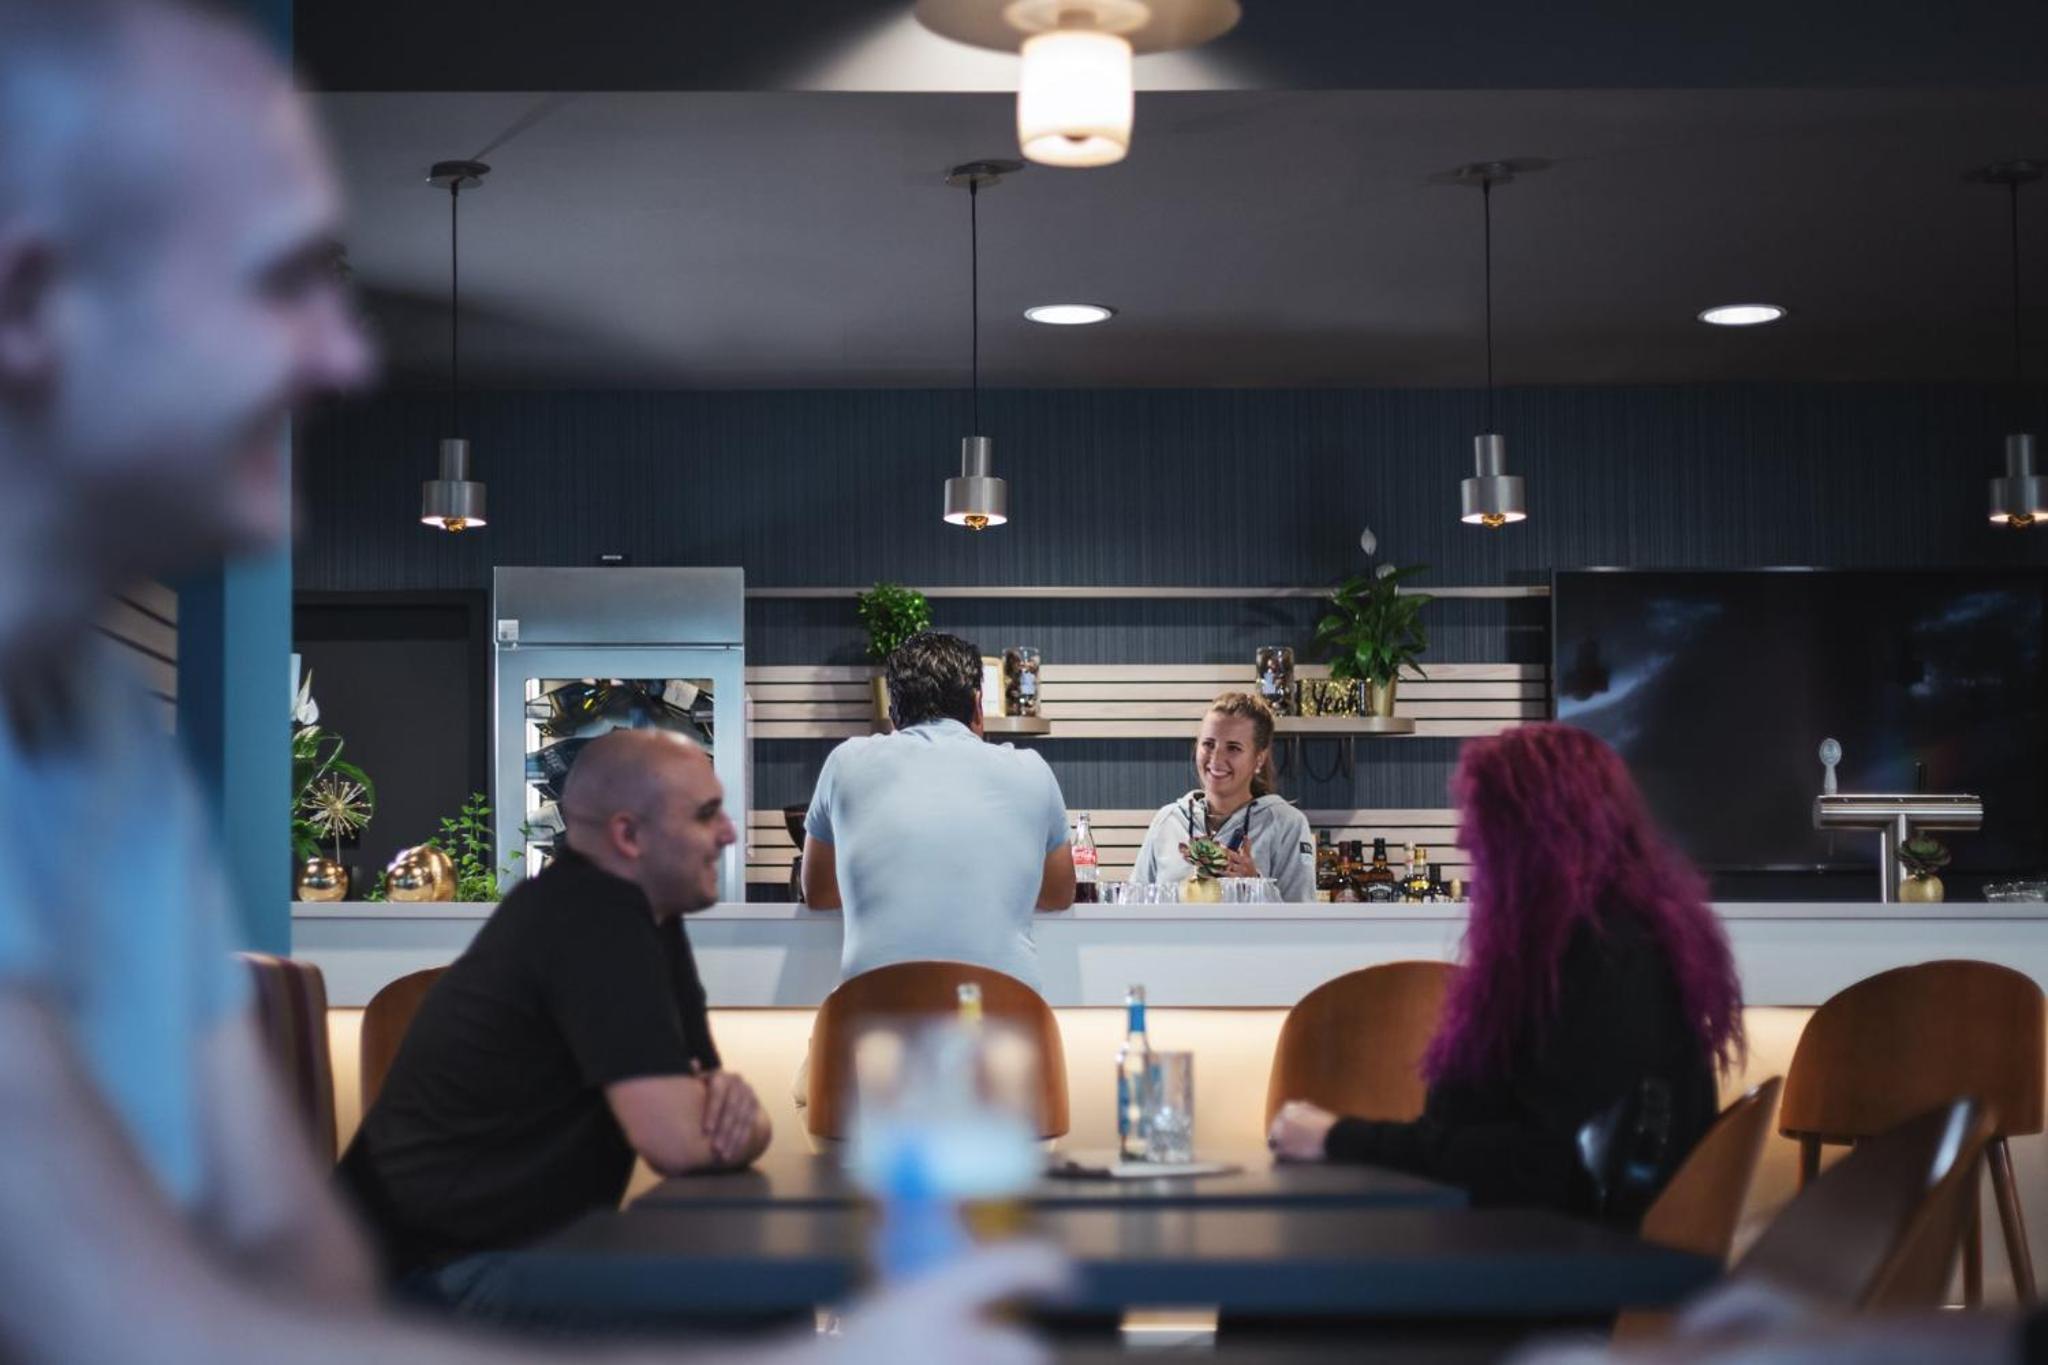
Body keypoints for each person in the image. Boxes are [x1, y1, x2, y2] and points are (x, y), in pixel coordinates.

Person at [0, 2, 1060, 1361]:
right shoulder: (587, 916)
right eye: (268, 281)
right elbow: (138, 1316)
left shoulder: (96, 741)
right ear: (30, 299)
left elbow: (287, 1253)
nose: (340, 355)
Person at [341, 730, 773, 1305]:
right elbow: (678, 1142)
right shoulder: (592, 915)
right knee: (758, 1304)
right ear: (629, 835)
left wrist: (737, 1115)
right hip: (420, 1281)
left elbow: (711, 1108)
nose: (729, 833)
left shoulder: (648, 918)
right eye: (705, 815)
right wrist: (742, 1123)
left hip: (482, 1260)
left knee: (753, 1295)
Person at [1267, 723, 1743, 1219]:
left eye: (1481, 817)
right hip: (1519, 1236)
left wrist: (1337, 1137)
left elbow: (1536, 1165)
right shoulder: (1607, 942)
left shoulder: (1606, 958)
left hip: (1540, 1251)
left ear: (1536, 831)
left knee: (1285, 1259)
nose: (1463, 839)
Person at [802, 631, 1075, 991]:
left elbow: (819, 892)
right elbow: (1058, 894)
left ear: (893, 711)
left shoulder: (845, 763)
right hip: (1008, 1014)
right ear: (978, 705)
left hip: (872, 1014)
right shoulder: (1032, 771)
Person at [1129, 692, 1315, 903]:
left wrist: (1256, 885)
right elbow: (1133, 906)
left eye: (1233, 748)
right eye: (1208, 744)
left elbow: (1301, 918)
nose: (1216, 759)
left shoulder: (1287, 824)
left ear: (1259, 759)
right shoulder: (1166, 821)